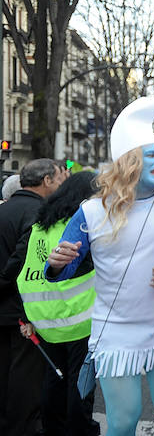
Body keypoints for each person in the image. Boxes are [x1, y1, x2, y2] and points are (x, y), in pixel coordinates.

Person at [45, 98, 154, 436]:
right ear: (129, 162)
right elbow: (63, 266)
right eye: (151, 154)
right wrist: (56, 264)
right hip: (116, 332)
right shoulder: (91, 211)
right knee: (123, 420)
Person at [17, 171, 101, 436]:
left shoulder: (40, 226)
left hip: (45, 319)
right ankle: (81, 431)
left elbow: (20, 268)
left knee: (54, 383)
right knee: (80, 387)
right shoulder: (83, 224)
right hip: (80, 319)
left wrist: (26, 316)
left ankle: (54, 430)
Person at [0, 158, 66, 435]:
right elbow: (23, 262)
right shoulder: (42, 214)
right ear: (46, 180)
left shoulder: (4, 210)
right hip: (24, 314)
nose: (64, 182)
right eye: (60, 177)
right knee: (25, 384)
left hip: (5, 310)